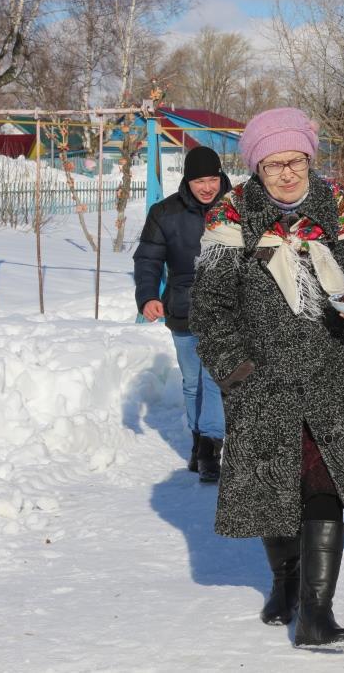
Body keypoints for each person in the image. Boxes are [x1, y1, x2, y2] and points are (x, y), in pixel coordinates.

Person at [189, 107, 344, 648]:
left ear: (309, 159)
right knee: (275, 486)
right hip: (261, 379)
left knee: (326, 485)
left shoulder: (337, 205)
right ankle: (286, 580)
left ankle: (317, 613)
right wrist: (236, 370)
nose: (288, 174)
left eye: (295, 161)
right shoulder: (229, 214)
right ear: (256, 167)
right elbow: (209, 306)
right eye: (274, 165)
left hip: (329, 372)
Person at [134, 146, 231, 483]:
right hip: (183, 306)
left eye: (212, 179)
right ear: (187, 181)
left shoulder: (238, 209)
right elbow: (148, 259)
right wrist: (147, 296)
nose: (207, 187)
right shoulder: (165, 213)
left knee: (215, 378)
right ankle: (197, 443)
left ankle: (209, 449)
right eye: (199, 180)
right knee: (192, 382)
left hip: (226, 308)